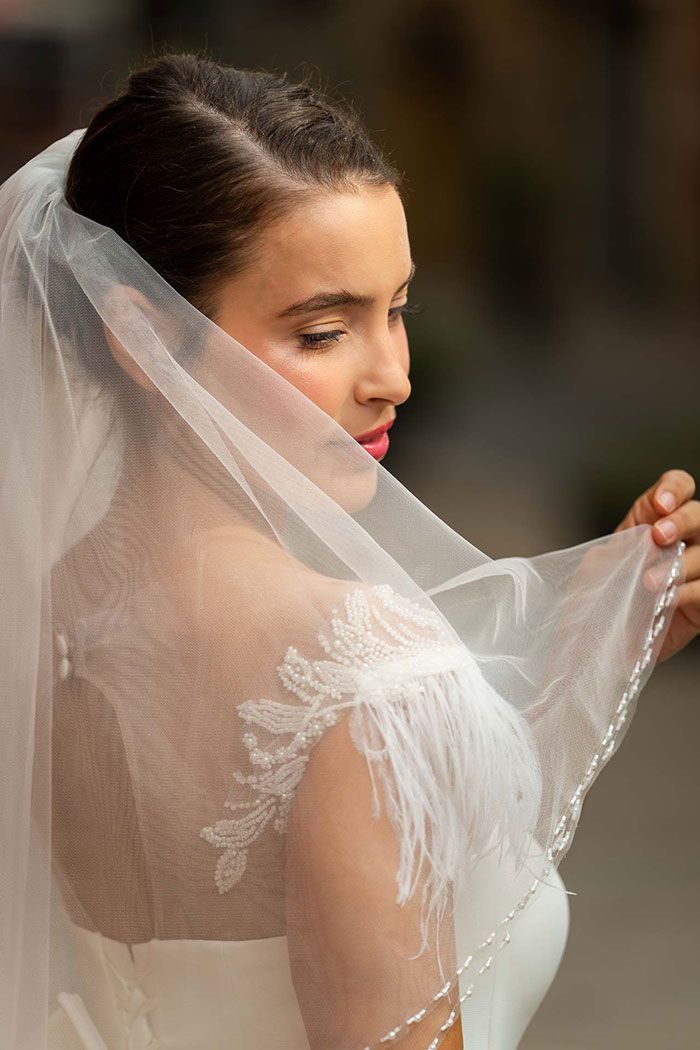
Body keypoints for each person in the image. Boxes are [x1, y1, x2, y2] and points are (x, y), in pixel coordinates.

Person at [0, 51, 696, 1050]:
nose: (393, 377)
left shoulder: (45, 609)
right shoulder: (365, 665)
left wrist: (593, 651)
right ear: (139, 335)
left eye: (398, 308)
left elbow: (342, 837)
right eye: (325, 330)